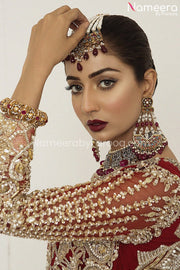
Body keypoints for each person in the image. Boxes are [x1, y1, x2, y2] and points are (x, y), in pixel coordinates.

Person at [0, 5, 180, 270]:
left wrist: (35, 66)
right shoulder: (117, 180)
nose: (86, 105)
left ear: (147, 83)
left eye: (106, 82)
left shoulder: (157, 190)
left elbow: (8, 212)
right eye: (76, 87)